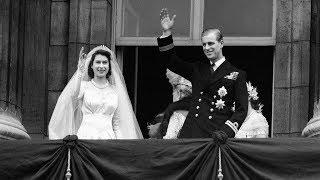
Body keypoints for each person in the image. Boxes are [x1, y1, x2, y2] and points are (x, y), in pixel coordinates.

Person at [157, 8, 248, 139]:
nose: (206, 48)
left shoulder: (237, 74)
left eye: (211, 43)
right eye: (204, 44)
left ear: (221, 43)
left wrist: (225, 132)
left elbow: (241, 110)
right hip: (190, 134)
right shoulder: (198, 69)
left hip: (215, 137)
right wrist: (167, 32)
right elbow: (171, 62)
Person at [48, 45, 143, 140]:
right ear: (92, 65)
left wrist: (119, 144)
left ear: (109, 66)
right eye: (98, 62)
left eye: (105, 62)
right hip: (85, 139)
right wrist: (80, 71)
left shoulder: (115, 90)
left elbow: (117, 122)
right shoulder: (83, 86)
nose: (101, 66)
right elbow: (70, 98)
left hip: (108, 140)